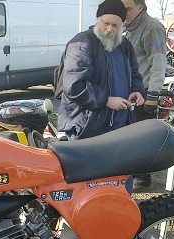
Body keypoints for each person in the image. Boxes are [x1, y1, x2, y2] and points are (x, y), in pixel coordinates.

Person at [58, 0, 144, 141]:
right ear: (98, 20)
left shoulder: (125, 45)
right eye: (106, 23)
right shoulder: (82, 43)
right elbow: (74, 86)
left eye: (115, 25)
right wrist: (106, 100)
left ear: (122, 25)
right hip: (87, 127)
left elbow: (135, 73)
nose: (109, 29)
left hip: (119, 127)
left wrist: (137, 90)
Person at [122, 0, 167, 190]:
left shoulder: (151, 27)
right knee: (129, 136)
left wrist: (153, 95)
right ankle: (134, 175)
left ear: (141, 7)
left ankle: (142, 178)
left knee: (140, 138)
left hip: (145, 91)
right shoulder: (129, 28)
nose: (124, 13)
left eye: (128, 9)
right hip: (131, 91)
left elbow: (159, 61)